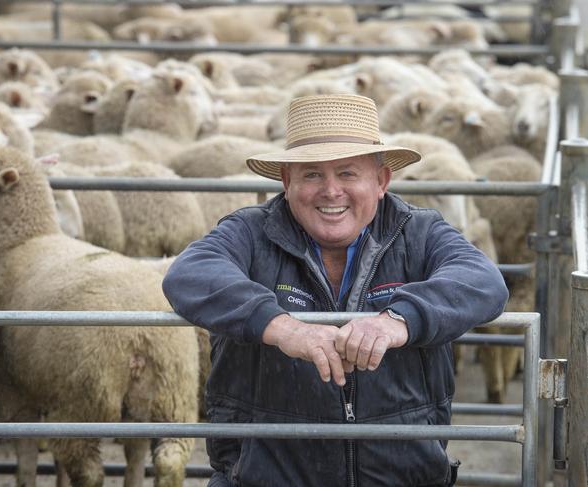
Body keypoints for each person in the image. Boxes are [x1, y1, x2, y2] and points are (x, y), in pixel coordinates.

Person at [162, 94, 508, 487]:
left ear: (381, 181)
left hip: (403, 476)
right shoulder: (250, 232)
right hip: (265, 477)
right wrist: (283, 327)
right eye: (311, 174)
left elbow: (483, 280)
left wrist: (399, 319)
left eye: (347, 173)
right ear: (287, 181)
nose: (330, 191)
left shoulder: (418, 232)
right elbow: (189, 274)